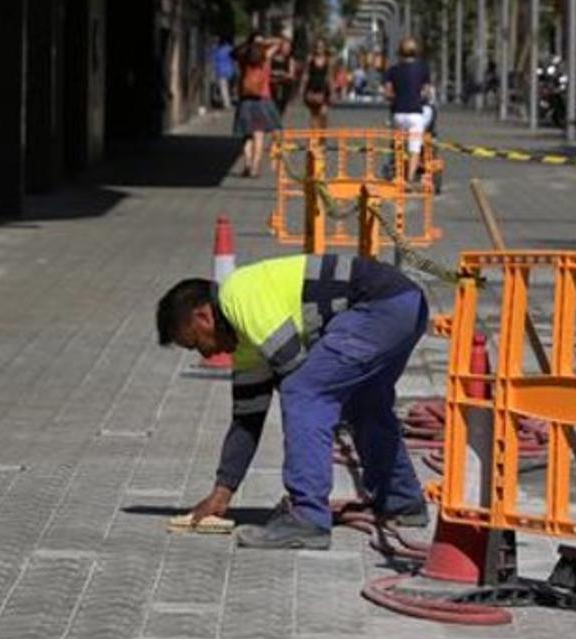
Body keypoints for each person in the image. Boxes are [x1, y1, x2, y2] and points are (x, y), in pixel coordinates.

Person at [156, 253, 430, 549]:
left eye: (197, 342)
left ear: (203, 316)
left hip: (379, 308)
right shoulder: (246, 339)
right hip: (405, 305)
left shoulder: (239, 296)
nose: (206, 355)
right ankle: (402, 503)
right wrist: (223, 492)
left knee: (303, 391)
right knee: (365, 403)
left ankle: (307, 519)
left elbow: (295, 372)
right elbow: (247, 420)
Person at [383, 37, 433, 185]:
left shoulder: (392, 70)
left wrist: (398, 96)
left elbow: (387, 93)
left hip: (398, 114)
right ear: (416, 52)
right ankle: (409, 178)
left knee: (398, 144)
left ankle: (398, 174)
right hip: (415, 113)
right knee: (414, 148)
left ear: (399, 53)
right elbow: (427, 92)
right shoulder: (422, 69)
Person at [231, 34, 281, 178]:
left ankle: (247, 163)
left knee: (247, 135)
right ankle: (255, 167)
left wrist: (250, 43)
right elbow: (279, 42)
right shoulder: (265, 55)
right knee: (258, 135)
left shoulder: (243, 57)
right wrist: (264, 42)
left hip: (245, 99)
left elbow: (233, 52)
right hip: (262, 100)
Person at [303, 39, 332, 129]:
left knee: (323, 114)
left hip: (323, 89)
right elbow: (306, 74)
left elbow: (329, 76)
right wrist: (303, 89)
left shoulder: (328, 60)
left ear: (324, 48)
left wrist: (332, 91)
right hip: (312, 88)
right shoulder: (310, 59)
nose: (319, 48)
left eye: (321, 46)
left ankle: (322, 138)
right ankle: (313, 139)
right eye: (317, 46)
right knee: (314, 115)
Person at [268, 35, 296, 118]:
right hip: (272, 85)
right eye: (285, 46)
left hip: (284, 86)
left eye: (288, 47)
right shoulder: (272, 57)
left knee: (281, 108)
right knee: (271, 108)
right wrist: (274, 73)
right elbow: (267, 70)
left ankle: (278, 123)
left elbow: (291, 74)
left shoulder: (290, 59)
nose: (287, 49)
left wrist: (282, 74)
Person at [210, 36, 236, 109]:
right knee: (228, 87)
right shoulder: (230, 49)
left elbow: (212, 59)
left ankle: (226, 103)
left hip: (220, 71)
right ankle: (228, 102)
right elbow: (234, 60)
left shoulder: (216, 50)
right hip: (230, 71)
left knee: (223, 88)